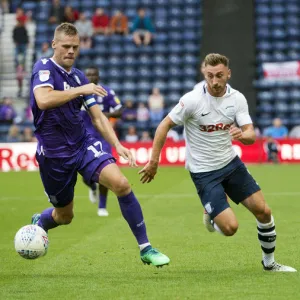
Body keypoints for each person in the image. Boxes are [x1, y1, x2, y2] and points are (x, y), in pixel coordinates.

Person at [139, 53, 296, 272]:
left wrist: (242, 134)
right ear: (204, 74)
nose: (214, 81)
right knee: (231, 228)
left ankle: (270, 264)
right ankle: (211, 214)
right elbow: (164, 125)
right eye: (210, 76)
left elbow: (251, 134)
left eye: (219, 75)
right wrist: (154, 161)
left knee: (264, 211)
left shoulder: (237, 99)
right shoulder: (192, 100)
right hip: (204, 172)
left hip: (231, 164)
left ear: (228, 74)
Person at [29, 23, 169, 267]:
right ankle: (41, 221)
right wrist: (80, 89)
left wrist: (117, 144)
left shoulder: (79, 76)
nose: (71, 51)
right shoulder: (44, 67)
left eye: (75, 47)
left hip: (84, 145)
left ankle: (145, 248)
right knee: (65, 216)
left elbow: (97, 117)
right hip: (54, 154)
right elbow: (43, 100)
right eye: (66, 46)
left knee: (121, 184)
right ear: (54, 45)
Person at [80, 66, 123, 217]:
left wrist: (106, 114)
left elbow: (119, 110)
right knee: (86, 175)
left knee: (107, 171)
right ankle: (92, 187)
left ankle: (102, 206)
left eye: (94, 74)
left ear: (98, 77)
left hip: (103, 138)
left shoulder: (106, 92)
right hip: (83, 138)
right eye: (88, 74)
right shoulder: (78, 93)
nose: (91, 77)